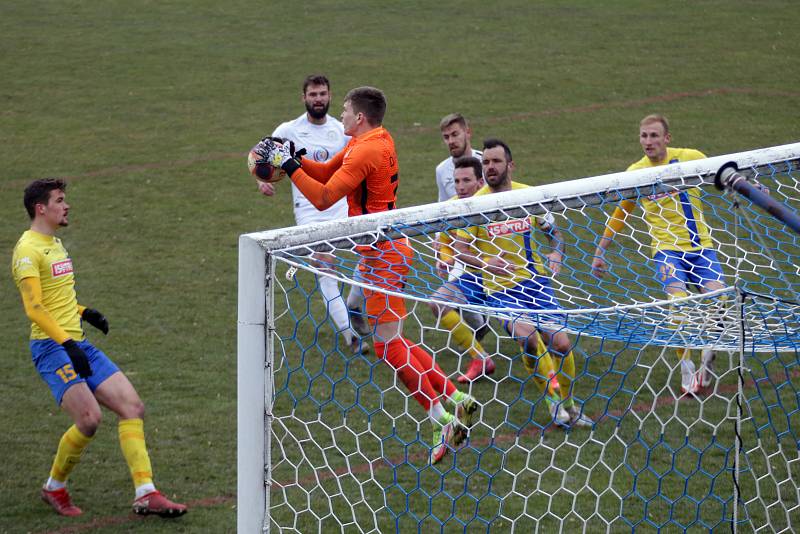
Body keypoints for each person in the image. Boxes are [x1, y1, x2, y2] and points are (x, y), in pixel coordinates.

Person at [255, 86, 478, 464]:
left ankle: (443, 420)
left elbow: (324, 197)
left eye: (344, 111)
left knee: (386, 346)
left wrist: (289, 166)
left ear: (359, 117)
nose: (339, 116)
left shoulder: (366, 150)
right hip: (385, 249)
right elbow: (326, 171)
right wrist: (292, 156)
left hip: (384, 255)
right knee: (396, 341)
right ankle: (459, 400)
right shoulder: (375, 139)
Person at [11, 179, 187, 518]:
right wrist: (66, 343)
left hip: (77, 343)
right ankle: (54, 487)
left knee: (132, 407)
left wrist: (83, 312)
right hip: (52, 348)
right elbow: (34, 308)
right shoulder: (27, 251)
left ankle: (145, 493)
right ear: (41, 208)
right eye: (60, 201)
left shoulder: (56, 244)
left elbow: (56, 300)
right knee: (90, 419)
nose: (67, 206)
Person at [452, 139, 592, 428]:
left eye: (496, 162)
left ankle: (569, 405)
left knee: (562, 344)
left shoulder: (530, 196)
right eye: (486, 163)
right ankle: (554, 402)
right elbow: (460, 251)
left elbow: (554, 234)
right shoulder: (475, 205)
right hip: (500, 290)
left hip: (537, 284)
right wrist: (487, 264)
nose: (490, 167)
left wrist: (555, 251)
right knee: (529, 338)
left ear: (510, 166)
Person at [591, 114, 722, 397]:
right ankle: (686, 368)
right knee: (678, 306)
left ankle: (707, 358)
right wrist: (600, 251)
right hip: (666, 252)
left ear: (667, 138)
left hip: (701, 249)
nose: (648, 141)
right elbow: (621, 213)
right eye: (643, 136)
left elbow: (723, 175)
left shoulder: (690, 157)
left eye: (653, 136)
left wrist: (755, 188)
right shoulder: (636, 172)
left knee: (719, 303)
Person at [258, 74, 368, 350]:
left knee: (372, 253)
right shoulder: (289, 129)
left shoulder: (340, 130)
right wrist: (262, 179)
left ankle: (354, 305)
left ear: (330, 96)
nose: (318, 99)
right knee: (325, 268)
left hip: (341, 207)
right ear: (304, 98)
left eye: (322, 94)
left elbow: (356, 163)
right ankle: (350, 336)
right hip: (309, 212)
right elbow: (261, 154)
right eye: (313, 95)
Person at [428, 156, 497, 382]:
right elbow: (445, 241)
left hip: (503, 279)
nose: (460, 187)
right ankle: (481, 358)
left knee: (534, 339)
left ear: (480, 182)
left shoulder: (496, 204)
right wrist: (445, 259)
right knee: (438, 303)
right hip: (471, 277)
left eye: (466, 180)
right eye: (456, 181)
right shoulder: (453, 208)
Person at [435, 113, 483, 202]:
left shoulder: (486, 162)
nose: (451, 141)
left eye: (455, 134)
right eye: (446, 137)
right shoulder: (441, 170)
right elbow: (443, 205)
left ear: (468, 133)